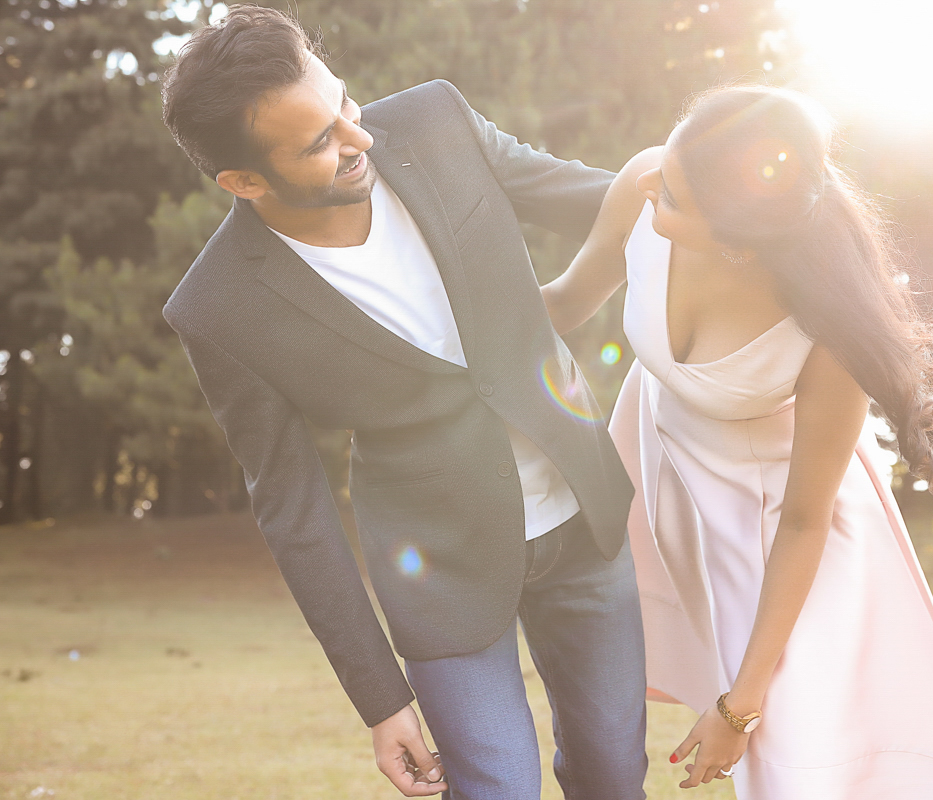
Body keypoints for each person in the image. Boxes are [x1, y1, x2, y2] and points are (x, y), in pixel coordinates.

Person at [159, 7, 647, 799]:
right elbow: (293, 509)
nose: (360, 139)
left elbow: (598, 199)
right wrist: (380, 699)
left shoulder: (434, 119)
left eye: (343, 105)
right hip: (439, 576)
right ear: (243, 182)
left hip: (581, 522)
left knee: (615, 776)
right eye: (319, 142)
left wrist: (721, 190)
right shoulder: (215, 309)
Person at [542, 85, 933, 799]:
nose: (647, 189)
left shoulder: (830, 324)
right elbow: (568, 300)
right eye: (664, 165)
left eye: (672, 198)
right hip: (665, 473)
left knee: (795, 750)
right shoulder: (644, 183)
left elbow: (804, 519)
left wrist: (739, 705)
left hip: (782, 524)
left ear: (736, 244)